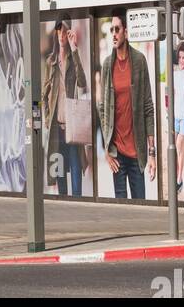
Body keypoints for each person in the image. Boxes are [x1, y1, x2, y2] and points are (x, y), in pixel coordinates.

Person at [98, 10, 156, 199]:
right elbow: (103, 109)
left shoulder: (139, 61)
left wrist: (152, 153)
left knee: (140, 207)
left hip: (136, 152)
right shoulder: (107, 65)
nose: (114, 34)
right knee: (120, 210)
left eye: (117, 29)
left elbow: (148, 106)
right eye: (111, 30)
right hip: (117, 152)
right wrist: (106, 149)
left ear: (126, 32)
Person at [43, 18, 88, 198]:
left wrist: (74, 48)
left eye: (65, 31)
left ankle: (78, 205)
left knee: (76, 170)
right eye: (59, 31)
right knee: (60, 173)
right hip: (57, 127)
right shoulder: (51, 62)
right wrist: (46, 117)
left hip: (73, 128)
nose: (62, 34)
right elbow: (43, 94)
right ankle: (64, 205)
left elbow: (83, 82)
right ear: (56, 33)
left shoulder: (72, 58)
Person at [173, 41, 184, 193]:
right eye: (180, 57)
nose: (182, 60)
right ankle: (180, 180)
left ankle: (179, 178)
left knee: (179, 145)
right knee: (177, 149)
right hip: (175, 116)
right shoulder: (175, 74)